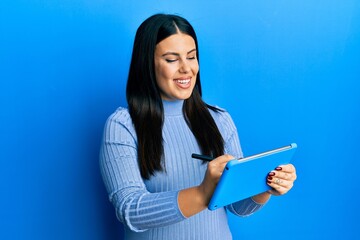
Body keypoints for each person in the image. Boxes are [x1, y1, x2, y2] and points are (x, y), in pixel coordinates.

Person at [99, 13, 297, 240]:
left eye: (191, 57)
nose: (186, 69)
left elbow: (237, 206)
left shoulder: (220, 120)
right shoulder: (122, 126)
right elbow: (130, 210)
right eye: (172, 59)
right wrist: (202, 193)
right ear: (147, 64)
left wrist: (265, 186)